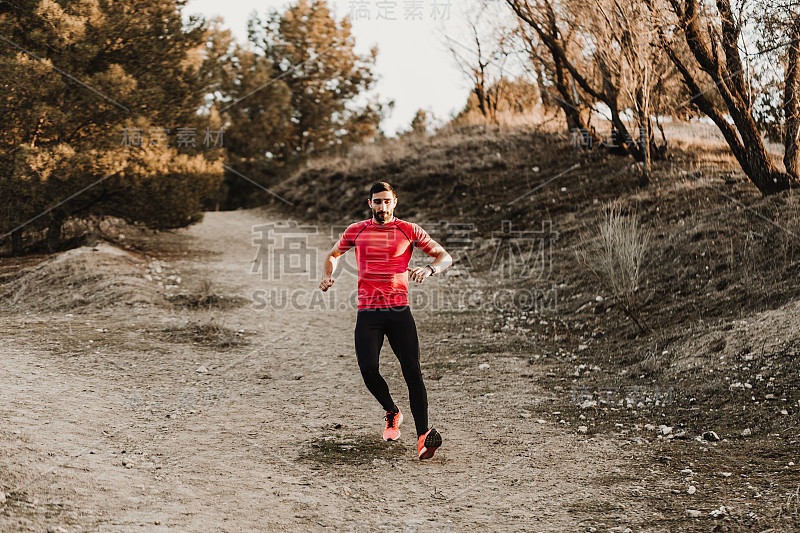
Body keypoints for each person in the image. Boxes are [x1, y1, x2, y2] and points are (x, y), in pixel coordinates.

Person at [319, 182, 452, 460]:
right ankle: (392, 411)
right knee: (368, 368)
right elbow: (332, 255)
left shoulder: (408, 229)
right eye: (377, 202)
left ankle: (424, 436)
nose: (383, 207)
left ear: (395, 202)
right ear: (370, 204)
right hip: (369, 312)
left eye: (387, 201)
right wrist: (327, 275)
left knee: (412, 372)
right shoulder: (356, 230)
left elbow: (444, 256)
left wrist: (430, 269)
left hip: (399, 311)